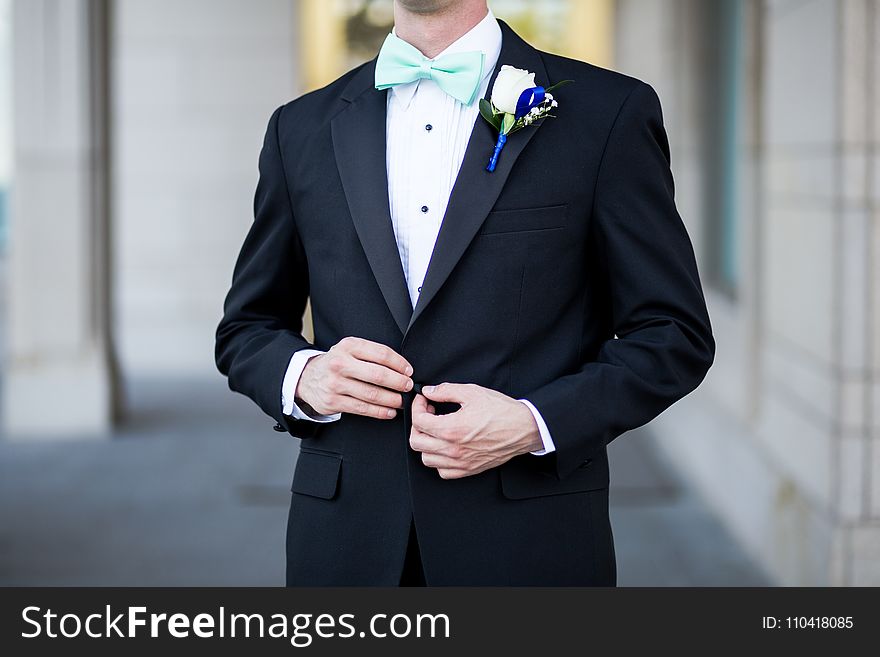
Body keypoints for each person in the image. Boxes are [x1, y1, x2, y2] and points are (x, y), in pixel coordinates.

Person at [215, 0, 715, 586]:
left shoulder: (607, 114)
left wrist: (534, 423)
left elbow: (672, 333)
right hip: (345, 547)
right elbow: (246, 328)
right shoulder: (298, 128)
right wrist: (306, 377)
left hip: (529, 545)